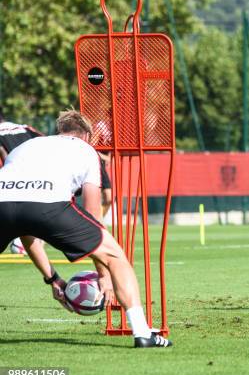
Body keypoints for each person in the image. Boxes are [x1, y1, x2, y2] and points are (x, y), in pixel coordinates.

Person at [0, 109, 172, 348]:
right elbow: (93, 212)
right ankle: (143, 333)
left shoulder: (25, 147)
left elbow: (25, 228)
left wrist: (53, 279)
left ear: (59, 130)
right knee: (115, 255)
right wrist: (104, 275)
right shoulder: (87, 150)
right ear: (88, 136)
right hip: (50, 206)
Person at [0, 107, 45, 256]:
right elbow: (46, 143)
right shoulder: (26, 128)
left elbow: (5, 157)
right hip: (37, 180)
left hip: (12, 183)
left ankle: (23, 239)